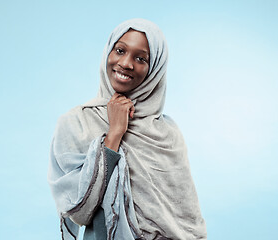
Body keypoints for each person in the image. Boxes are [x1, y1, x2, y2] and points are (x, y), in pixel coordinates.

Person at [48, 18, 207, 240]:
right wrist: (114, 134)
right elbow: (80, 210)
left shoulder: (167, 133)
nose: (126, 63)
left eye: (141, 58)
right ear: (108, 52)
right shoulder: (77, 123)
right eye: (120, 50)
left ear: (155, 69)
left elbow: (188, 222)